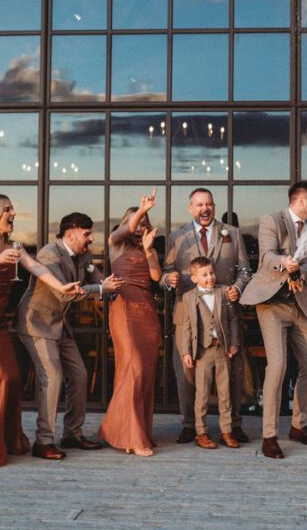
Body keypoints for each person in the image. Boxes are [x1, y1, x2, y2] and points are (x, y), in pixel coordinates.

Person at [0, 194, 82, 467]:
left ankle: (5, 439)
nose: (13, 213)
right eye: (8, 210)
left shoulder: (14, 246)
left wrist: (61, 287)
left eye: (13, 209)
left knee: (12, 377)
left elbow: (36, 266)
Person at [14, 212, 123, 460]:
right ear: (70, 234)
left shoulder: (83, 255)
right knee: (52, 378)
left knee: (79, 375)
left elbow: (96, 277)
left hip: (59, 324)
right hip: (36, 323)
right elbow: (64, 294)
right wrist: (101, 289)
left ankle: (72, 433)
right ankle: (43, 442)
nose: (91, 239)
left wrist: (108, 284)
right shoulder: (48, 254)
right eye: (86, 234)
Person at [240, 181, 307, 460]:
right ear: (300, 201)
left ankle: (299, 426)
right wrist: (284, 264)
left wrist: (300, 274)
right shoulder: (271, 220)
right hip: (272, 304)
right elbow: (266, 256)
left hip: (300, 305)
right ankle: (269, 435)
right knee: (277, 367)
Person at [163, 188, 252, 444]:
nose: (205, 209)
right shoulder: (176, 237)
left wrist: (237, 288)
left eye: (209, 204)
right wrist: (167, 280)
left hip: (225, 315)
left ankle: (233, 425)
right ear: (190, 208)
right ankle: (191, 425)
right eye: (199, 205)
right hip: (188, 316)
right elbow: (166, 273)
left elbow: (245, 270)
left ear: (214, 206)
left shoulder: (231, 233)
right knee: (187, 373)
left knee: (232, 373)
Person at [98, 189, 163, 457]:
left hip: (146, 312)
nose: (140, 229)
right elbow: (125, 230)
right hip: (123, 308)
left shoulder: (149, 249)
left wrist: (149, 251)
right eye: (137, 224)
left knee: (144, 373)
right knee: (132, 368)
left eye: (146, 225)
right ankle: (130, 435)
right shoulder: (115, 244)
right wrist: (142, 211)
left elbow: (156, 277)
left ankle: (128, 431)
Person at [176, 256, 242, 449]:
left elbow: (233, 320)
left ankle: (226, 431)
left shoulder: (223, 292)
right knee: (202, 394)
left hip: (222, 350)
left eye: (211, 273)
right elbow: (187, 327)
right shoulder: (189, 297)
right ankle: (201, 432)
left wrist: (234, 343)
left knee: (225, 393)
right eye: (204, 275)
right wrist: (186, 352)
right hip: (202, 352)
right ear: (194, 278)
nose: (210, 277)